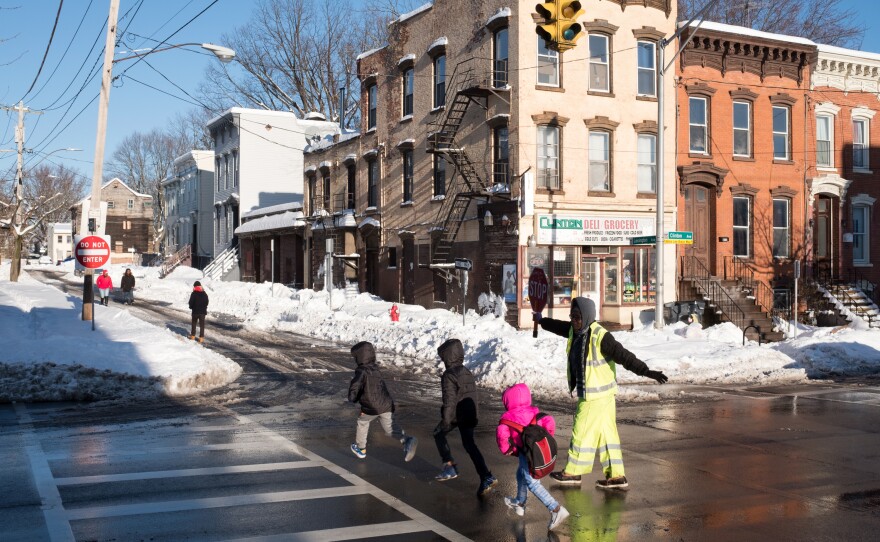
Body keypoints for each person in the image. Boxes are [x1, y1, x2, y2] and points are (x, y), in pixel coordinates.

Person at [534, 297, 668, 489]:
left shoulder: (600, 336)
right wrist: (541, 320)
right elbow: (558, 326)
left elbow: (624, 356)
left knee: (581, 431)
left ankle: (573, 472)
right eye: (572, 316)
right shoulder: (575, 330)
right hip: (603, 394)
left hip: (594, 395)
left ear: (587, 316)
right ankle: (616, 476)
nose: (574, 320)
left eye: (578, 317)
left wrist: (646, 371)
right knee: (607, 436)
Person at [496, 383, 570, 531]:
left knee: (533, 483)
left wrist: (508, 450)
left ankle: (555, 509)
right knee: (521, 474)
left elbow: (501, 435)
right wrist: (544, 439)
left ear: (507, 401)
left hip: (526, 453)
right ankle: (520, 502)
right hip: (538, 452)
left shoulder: (507, 418)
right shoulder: (535, 412)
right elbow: (549, 421)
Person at [433, 338, 497, 496]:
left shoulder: (449, 375)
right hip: (469, 413)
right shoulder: (466, 371)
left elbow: (449, 401)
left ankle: (449, 466)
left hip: (457, 414)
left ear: (447, 356)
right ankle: (486, 476)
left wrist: (446, 420)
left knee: (438, 433)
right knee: (470, 445)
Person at [347, 341, 418, 461]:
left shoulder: (361, 371)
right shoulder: (375, 368)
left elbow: (356, 385)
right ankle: (406, 440)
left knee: (362, 422)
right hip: (386, 404)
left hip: (371, 406)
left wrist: (352, 398)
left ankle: (361, 449)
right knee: (389, 429)